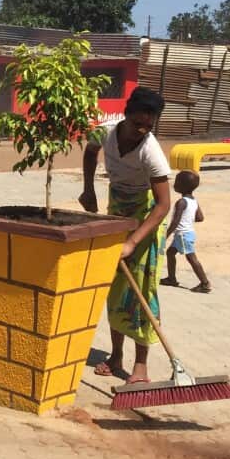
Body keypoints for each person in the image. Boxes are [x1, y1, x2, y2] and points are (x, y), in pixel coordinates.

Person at [79, 86, 173, 385]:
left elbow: (163, 205)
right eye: (137, 124)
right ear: (126, 114)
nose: (142, 131)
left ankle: (141, 365)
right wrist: (89, 189)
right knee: (117, 286)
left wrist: (133, 241)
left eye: (149, 126)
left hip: (146, 217)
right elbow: (90, 153)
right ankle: (116, 355)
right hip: (117, 207)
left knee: (143, 289)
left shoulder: (151, 152)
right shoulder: (104, 132)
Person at [161, 171, 211, 293]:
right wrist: (188, 219)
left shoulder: (181, 202)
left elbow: (176, 221)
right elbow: (200, 217)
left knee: (191, 258)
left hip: (182, 235)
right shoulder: (193, 201)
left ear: (182, 185)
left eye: (177, 182)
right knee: (170, 253)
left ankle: (205, 283)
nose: (174, 184)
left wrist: (166, 234)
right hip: (187, 233)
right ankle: (171, 278)